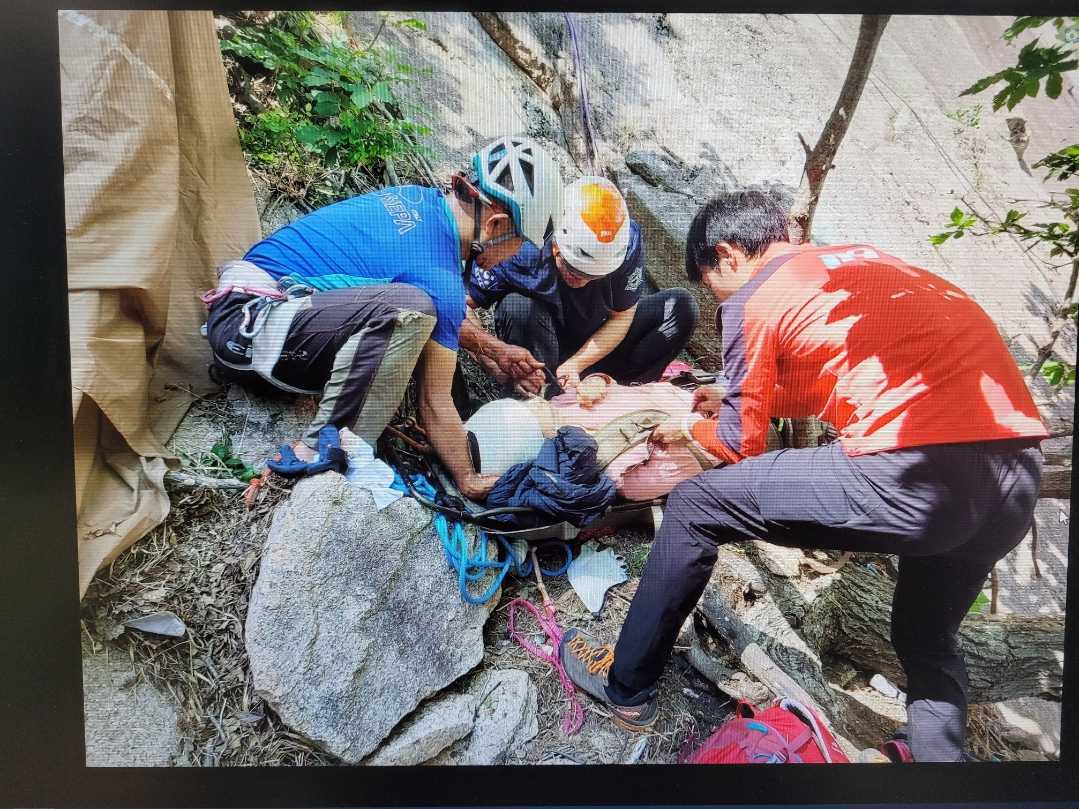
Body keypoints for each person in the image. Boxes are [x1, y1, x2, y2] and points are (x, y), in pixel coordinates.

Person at [557, 187, 1048, 762]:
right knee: (925, 636)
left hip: (917, 470)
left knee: (693, 507)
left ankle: (625, 686)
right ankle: (935, 764)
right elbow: (828, 387)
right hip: (1016, 479)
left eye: (710, 284)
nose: (716, 300)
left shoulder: (758, 295)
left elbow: (739, 444)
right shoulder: (855, 265)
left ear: (728, 255)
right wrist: (733, 398)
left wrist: (691, 429)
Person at [203, 136, 562, 501]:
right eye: (520, 244)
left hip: (248, 316)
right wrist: (468, 478)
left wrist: (494, 350)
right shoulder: (439, 277)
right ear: (496, 225)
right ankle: (326, 448)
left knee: (414, 307)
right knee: (411, 308)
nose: (514, 257)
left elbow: (439, 312)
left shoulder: (417, 201)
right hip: (255, 329)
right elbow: (434, 402)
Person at [459, 176, 699, 398]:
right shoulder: (520, 249)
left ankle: (621, 399)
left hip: (594, 345)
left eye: (593, 275)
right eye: (574, 271)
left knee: (680, 307)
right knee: (517, 307)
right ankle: (544, 399)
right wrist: (495, 363)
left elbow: (622, 316)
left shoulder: (625, 243)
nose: (582, 280)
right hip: (540, 348)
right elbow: (458, 309)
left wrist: (575, 365)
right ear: (556, 245)